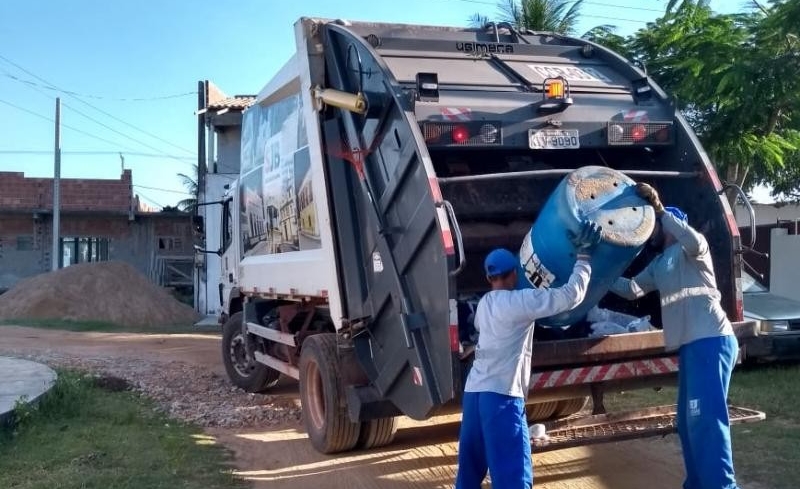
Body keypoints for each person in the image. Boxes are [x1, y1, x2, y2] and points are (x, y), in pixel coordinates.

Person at [610, 183, 740, 489]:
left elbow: (689, 236)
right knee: (687, 422)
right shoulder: (660, 264)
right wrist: (597, 277)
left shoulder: (695, 249)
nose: (652, 230)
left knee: (705, 420)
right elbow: (632, 290)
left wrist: (659, 209)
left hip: (711, 340)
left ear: (672, 223)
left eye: (658, 224)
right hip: (692, 346)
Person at [455, 220, 602, 489]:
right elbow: (571, 295)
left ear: (489, 278)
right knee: (513, 473)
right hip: (501, 396)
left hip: (475, 394)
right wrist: (583, 256)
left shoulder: (485, 303)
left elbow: (484, 329)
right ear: (513, 275)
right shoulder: (520, 302)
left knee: (468, 473)